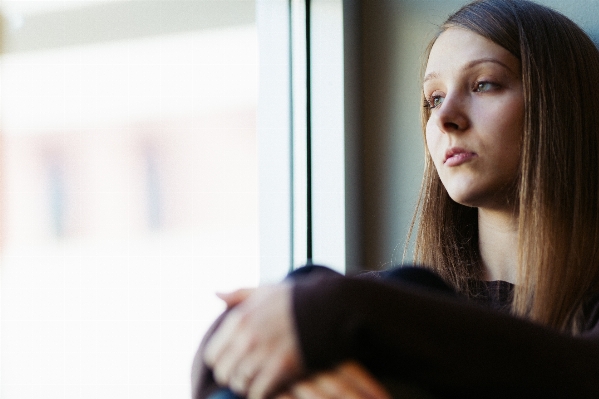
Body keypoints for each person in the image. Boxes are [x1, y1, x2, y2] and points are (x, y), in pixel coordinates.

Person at [192, 0, 599, 397]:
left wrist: (330, 309)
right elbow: (215, 367)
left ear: (560, 106)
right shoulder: (385, 305)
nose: (443, 117)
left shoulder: (366, 311)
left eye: (484, 84)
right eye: (434, 98)